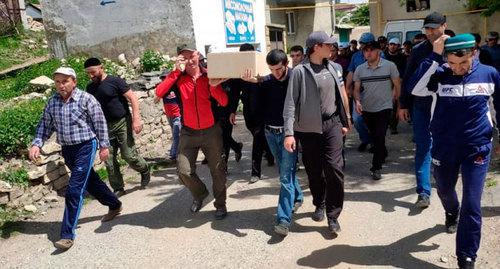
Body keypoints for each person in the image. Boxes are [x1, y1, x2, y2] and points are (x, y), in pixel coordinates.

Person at [407, 33, 500, 269]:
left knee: (472, 202)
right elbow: (415, 89)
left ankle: (466, 256)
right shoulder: (439, 74)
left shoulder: (489, 74)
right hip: (444, 147)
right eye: (452, 63)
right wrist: (436, 57)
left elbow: (499, 107)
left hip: (477, 148)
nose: (457, 68)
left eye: (463, 63)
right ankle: (451, 211)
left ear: (474, 53)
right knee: (445, 189)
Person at [29, 67, 122, 250]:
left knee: (74, 189)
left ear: (74, 82)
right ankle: (114, 204)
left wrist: (104, 146)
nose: (61, 85)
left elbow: (100, 123)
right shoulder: (53, 102)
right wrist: (36, 143)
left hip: (86, 146)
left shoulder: (87, 99)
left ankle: (67, 235)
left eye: (65, 81)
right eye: (57, 82)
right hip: (68, 149)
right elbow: (44, 126)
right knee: (91, 182)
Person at [283, 31, 351, 235]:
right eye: (328, 45)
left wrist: (345, 119)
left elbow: (341, 95)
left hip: (332, 124)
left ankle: (333, 214)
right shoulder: (299, 72)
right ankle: (319, 202)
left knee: (334, 168)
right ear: (316, 47)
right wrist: (289, 133)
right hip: (308, 129)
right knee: (314, 172)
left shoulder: (334, 67)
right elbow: (290, 104)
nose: (332, 48)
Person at [155, 46, 229, 220]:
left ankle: (220, 204)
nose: (189, 60)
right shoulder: (178, 78)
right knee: (183, 170)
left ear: (199, 56)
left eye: (192, 56)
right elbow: (159, 92)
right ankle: (200, 194)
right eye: (184, 57)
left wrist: (213, 86)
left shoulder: (210, 75)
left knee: (217, 170)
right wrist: (174, 72)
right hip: (188, 132)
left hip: (211, 131)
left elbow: (224, 102)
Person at [241, 49, 304, 236]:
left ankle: (283, 220)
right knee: (285, 170)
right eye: (272, 69)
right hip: (270, 133)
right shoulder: (268, 81)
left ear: (286, 63)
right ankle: (298, 196)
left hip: (289, 135)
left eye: (278, 69)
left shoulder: (295, 78)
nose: (275, 73)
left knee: (285, 176)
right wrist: (251, 80)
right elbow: (260, 81)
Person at [399, 11, 447, 209]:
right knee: (423, 147)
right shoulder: (419, 50)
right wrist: (403, 105)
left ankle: (446, 189)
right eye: (427, 28)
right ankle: (423, 192)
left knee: (446, 146)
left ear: (444, 26)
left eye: (434, 28)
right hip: (421, 105)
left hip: (447, 106)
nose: (430, 32)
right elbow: (408, 78)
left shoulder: (456, 46)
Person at [85, 58, 150, 197]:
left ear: (101, 68)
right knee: (109, 159)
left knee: (129, 155)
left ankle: (144, 169)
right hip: (103, 128)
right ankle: (118, 188)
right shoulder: (90, 88)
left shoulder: (115, 81)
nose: (91, 76)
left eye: (93, 72)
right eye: (88, 73)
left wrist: (136, 119)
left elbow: (132, 98)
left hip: (122, 122)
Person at [353, 40, 401, 180]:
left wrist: (398, 104)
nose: (368, 53)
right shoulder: (360, 69)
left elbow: (398, 85)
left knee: (379, 136)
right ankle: (383, 152)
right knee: (376, 137)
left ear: (378, 51)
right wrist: (357, 101)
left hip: (384, 107)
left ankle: (376, 167)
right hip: (367, 108)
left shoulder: (390, 66)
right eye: (365, 50)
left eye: (371, 50)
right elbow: (356, 90)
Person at [229, 43, 274, 183]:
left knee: (258, 137)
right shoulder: (238, 71)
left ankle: (255, 172)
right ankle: (270, 155)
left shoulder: (262, 67)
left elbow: (269, 85)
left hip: (263, 108)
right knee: (258, 135)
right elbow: (235, 93)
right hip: (248, 109)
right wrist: (232, 111)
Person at [346, 32, 380, 152]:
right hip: (359, 93)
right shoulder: (356, 56)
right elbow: (351, 72)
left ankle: (376, 143)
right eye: (361, 43)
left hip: (376, 93)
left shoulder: (381, 55)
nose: (362, 46)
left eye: (365, 43)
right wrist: (346, 88)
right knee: (357, 120)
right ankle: (366, 140)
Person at [156, 70, 182, 163]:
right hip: (169, 116)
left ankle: (173, 155)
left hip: (178, 115)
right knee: (176, 135)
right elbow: (156, 99)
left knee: (176, 134)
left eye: (165, 78)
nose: (164, 80)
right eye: (162, 78)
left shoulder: (176, 87)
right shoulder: (162, 89)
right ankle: (179, 152)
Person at [385, 37, 407, 135]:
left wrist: (395, 87)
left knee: (395, 103)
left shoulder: (402, 58)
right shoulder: (383, 56)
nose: (392, 46)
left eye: (395, 45)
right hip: (384, 82)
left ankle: (393, 126)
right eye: (391, 44)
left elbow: (403, 73)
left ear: (398, 46)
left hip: (397, 82)